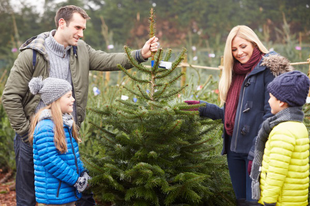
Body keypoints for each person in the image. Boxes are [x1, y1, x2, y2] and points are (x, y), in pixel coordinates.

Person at [1, 5, 158, 206]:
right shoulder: (31, 54)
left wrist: (141, 55)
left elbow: (108, 59)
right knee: (29, 196)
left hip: (66, 134)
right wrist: (26, 134)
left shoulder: (80, 50)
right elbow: (10, 96)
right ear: (61, 23)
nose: (81, 34)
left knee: (79, 189)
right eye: (77, 27)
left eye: (83, 28)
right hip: (34, 135)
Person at [185, 25, 292, 206]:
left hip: (256, 151)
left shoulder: (268, 69)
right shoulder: (235, 72)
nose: (239, 53)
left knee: (255, 202)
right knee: (241, 201)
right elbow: (232, 115)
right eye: (234, 49)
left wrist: (256, 150)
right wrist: (202, 108)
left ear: (253, 43)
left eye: (243, 46)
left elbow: (272, 114)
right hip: (234, 150)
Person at [250, 70, 310, 206]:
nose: (268, 100)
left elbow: (276, 172)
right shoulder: (298, 125)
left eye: (271, 97)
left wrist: (269, 200)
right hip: (295, 198)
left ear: (282, 102)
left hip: (281, 200)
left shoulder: (282, 131)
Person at [28, 77, 91, 205]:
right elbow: (51, 161)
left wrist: (82, 171)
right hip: (54, 198)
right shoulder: (45, 127)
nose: (73, 99)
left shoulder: (65, 124)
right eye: (68, 96)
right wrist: (75, 180)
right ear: (56, 100)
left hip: (67, 193)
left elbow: (72, 156)